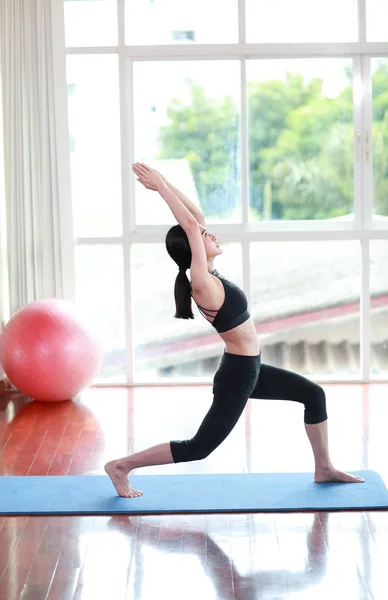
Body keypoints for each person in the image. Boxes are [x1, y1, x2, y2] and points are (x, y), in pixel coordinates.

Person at [105, 162, 365, 498]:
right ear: (192, 248)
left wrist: (164, 181)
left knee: (314, 395)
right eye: (202, 237)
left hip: (251, 367)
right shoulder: (200, 282)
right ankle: (121, 466)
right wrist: (161, 190)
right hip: (237, 376)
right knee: (199, 447)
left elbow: (194, 216)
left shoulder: (211, 273)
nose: (209, 234)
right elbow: (188, 223)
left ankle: (324, 468)